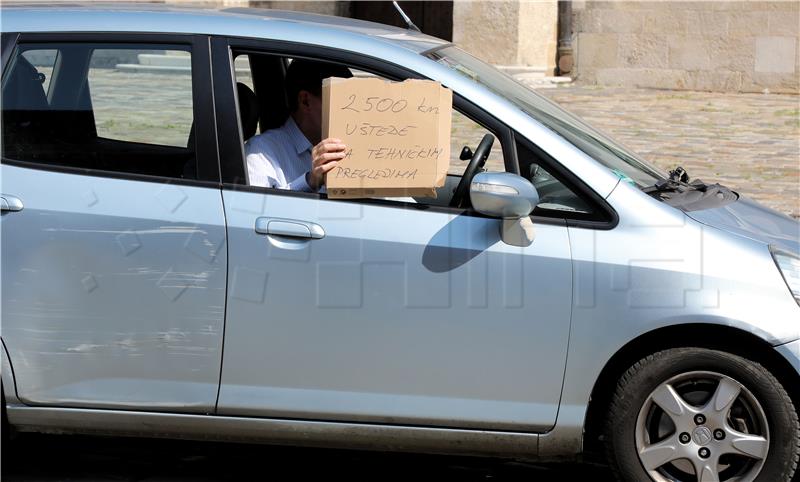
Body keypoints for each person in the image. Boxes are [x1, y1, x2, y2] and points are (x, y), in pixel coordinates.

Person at [245, 59, 352, 192]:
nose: (350, 111)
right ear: (305, 101)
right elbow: (253, 208)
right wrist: (310, 181)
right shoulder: (261, 151)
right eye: (341, 101)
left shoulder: (350, 149)